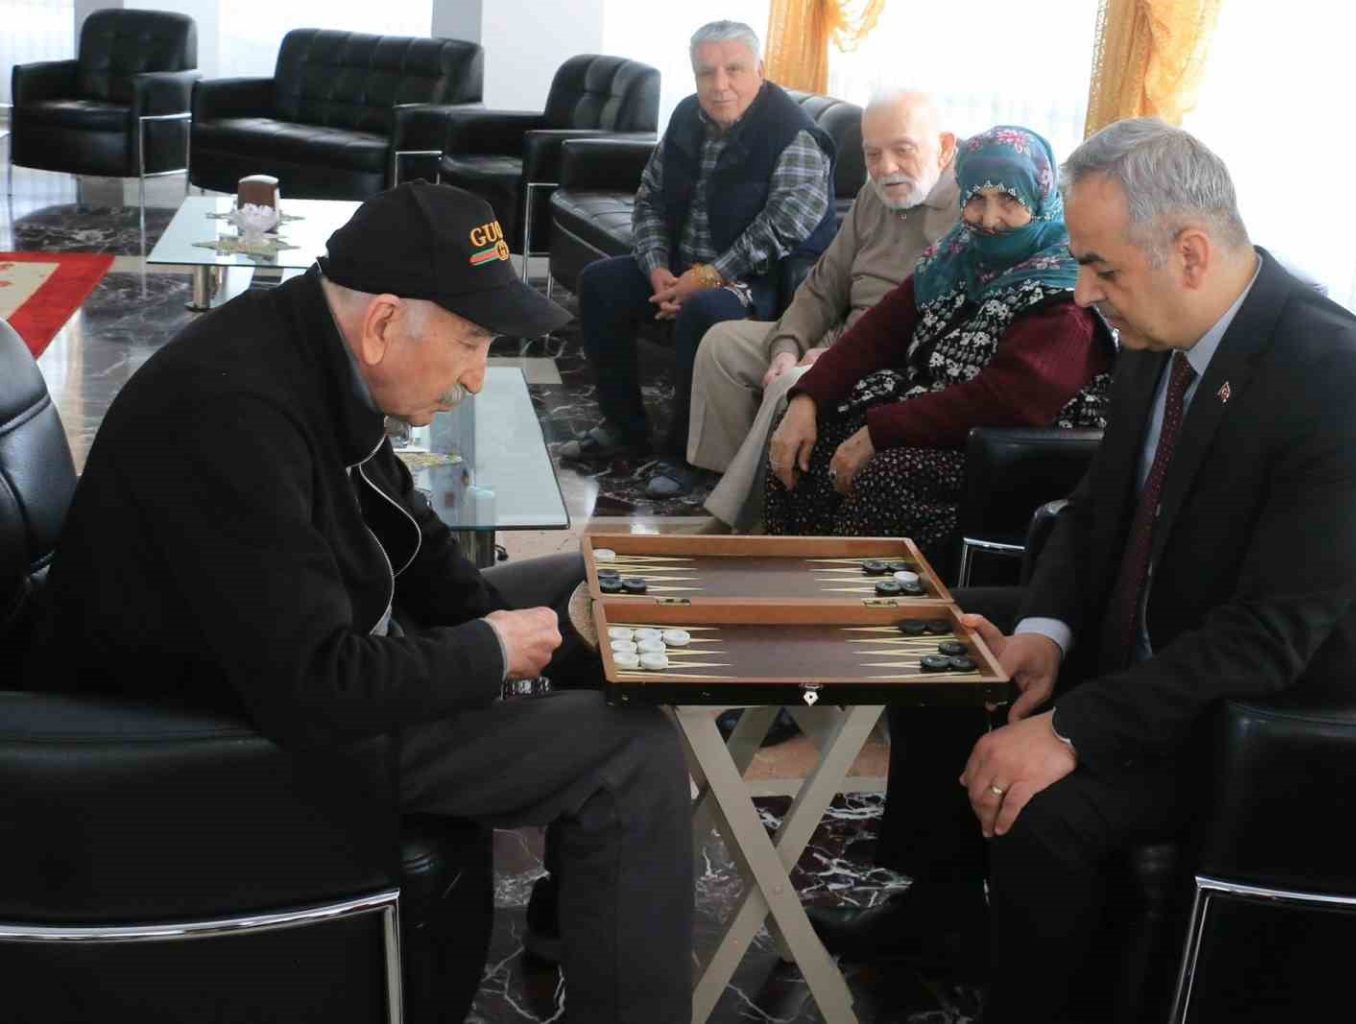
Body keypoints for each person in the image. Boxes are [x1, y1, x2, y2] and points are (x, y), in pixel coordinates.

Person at [808, 119, 1356, 1023]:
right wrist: (1044, 635)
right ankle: (940, 920)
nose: (1084, 293)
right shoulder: (1157, 334)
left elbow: (1271, 636)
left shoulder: (1337, 382)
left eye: (1101, 268)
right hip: (1162, 636)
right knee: (948, 650)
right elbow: (1099, 508)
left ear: (1190, 253)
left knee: (1047, 809)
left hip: (1273, 717)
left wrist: (1070, 731)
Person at [30, 182, 693, 1024]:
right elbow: (316, 686)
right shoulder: (235, 415)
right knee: (631, 755)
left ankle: (589, 917)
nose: (477, 376)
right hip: (222, 729)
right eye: (471, 342)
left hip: (306, 647)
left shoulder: (308, 345)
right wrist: (486, 651)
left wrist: (487, 618)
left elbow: (404, 531)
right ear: (383, 322)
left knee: (574, 591)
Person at [763, 125, 1113, 568]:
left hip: (1006, 450)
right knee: (808, 436)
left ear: (1042, 199)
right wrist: (807, 398)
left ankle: (861, 599)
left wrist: (881, 432)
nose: (989, 219)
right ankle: (791, 580)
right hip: (929, 421)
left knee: (887, 476)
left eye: (1009, 200)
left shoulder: (1066, 292)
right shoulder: (954, 257)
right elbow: (876, 334)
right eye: (976, 198)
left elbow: (1008, 400)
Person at [555, 19, 838, 500]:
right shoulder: (687, 115)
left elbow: (784, 227)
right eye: (706, 72)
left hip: (757, 280)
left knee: (705, 311)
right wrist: (657, 268)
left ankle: (686, 454)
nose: (719, 84)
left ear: (760, 70)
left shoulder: (795, 134)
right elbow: (649, 198)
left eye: (734, 69)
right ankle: (624, 426)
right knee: (600, 282)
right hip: (681, 269)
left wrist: (707, 277)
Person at [687, 88, 960, 529]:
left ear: (944, 147)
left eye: (903, 150)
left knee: (792, 384)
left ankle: (731, 524)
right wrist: (787, 346)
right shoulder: (874, 195)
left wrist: (834, 357)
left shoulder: (972, 210)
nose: (886, 168)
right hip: (839, 334)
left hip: (886, 356)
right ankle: (740, 491)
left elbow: (933, 325)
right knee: (722, 347)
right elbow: (823, 285)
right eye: (872, 154)